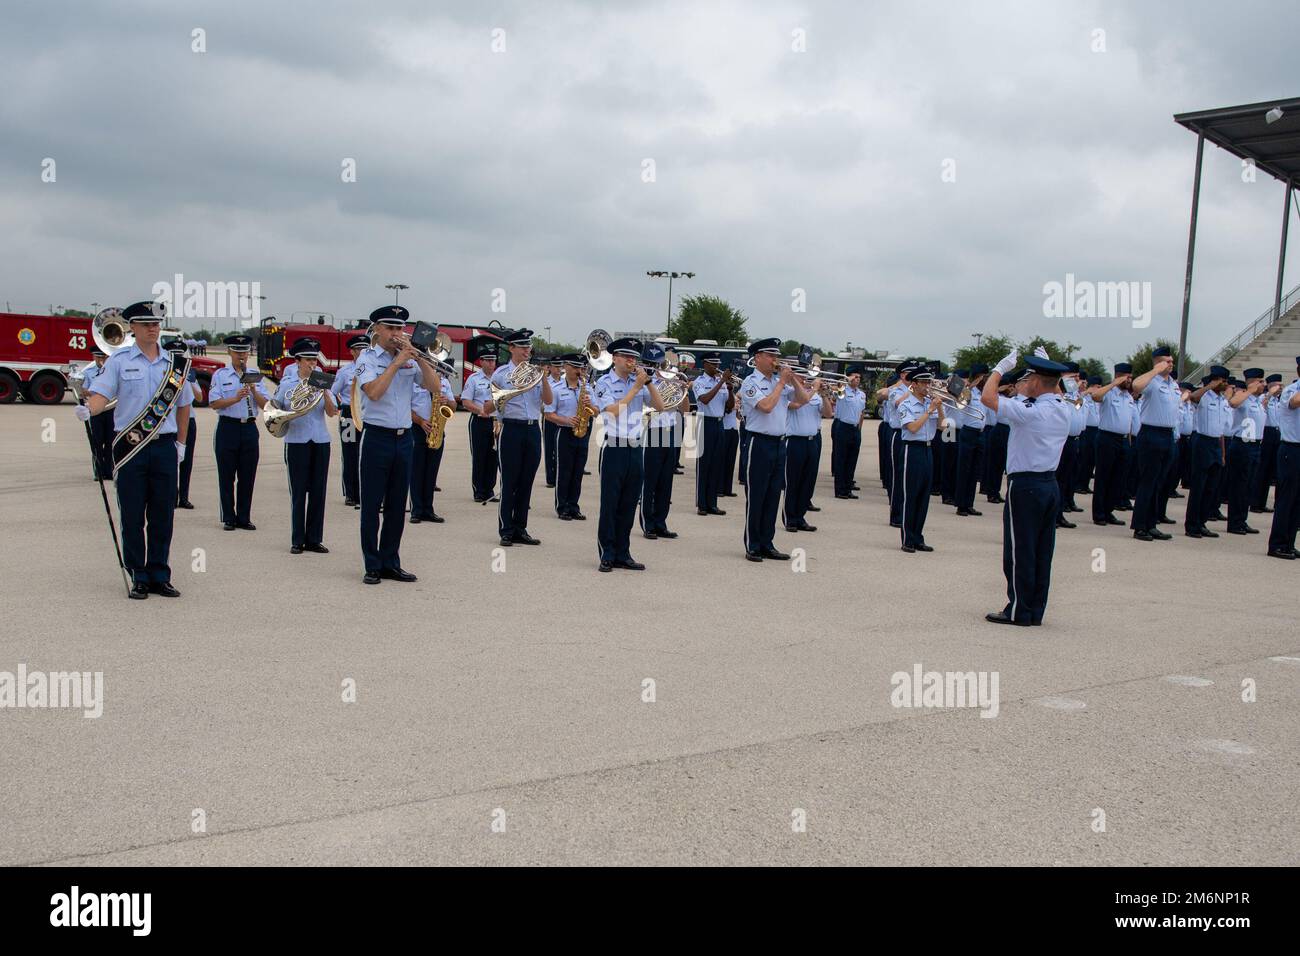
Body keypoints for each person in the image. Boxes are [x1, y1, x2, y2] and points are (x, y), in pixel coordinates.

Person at [78, 300, 193, 599]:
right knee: (131, 514)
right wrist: (88, 409)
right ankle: (138, 575)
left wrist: (181, 444)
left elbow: (184, 406)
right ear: (133, 328)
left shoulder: (174, 363)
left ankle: (159, 574)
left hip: (165, 447)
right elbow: (101, 395)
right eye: (146, 324)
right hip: (132, 448)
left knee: (162, 514)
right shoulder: (119, 361)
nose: (153, 329)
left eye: (156, 324)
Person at [980, 352, 1072, 626]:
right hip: (1050, 484)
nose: (1026, 381)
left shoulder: (1031, 412)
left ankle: (1019, 610)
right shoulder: (1061, 407)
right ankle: (1035, 610)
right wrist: (1048, 371)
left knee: (1020, 550)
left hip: (1026, 486)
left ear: (1036, 382)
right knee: (1042, 551)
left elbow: (988, 398)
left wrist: (999, 368)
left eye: (1030, 377)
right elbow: (1052, 386)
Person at [355, 305, 441, 584]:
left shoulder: (409, 359)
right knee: (371, 504)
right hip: (376, 436)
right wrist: (396, 362)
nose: (396, 334)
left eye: (399, 329)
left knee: (396, 505)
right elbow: (375, 393)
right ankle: (372, 564)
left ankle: (391, 561)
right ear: (377, 329)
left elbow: (434, 387)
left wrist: (420, 358)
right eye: (390, 328)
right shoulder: (367, 359)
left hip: (403, 439)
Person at [593, 338, 664, 571]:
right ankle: (607, 553)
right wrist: (635, 389)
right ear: (615, 358)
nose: (631, 360)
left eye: (634, 357)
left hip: (635, 448)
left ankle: (623, 552)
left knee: (629, 504)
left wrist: (649, 382)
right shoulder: (604, 382)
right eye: (626, 356)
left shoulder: (640, 382)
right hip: (613, 447)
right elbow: (612, 411)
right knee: (610, 504)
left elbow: (660, 406)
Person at [739, 340, 810, 561]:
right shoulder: (751, 382)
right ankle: (752, 544)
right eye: (770, 355)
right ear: (757, 357)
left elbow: (804, 399)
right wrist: (781, 384)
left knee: (772, 496)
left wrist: (794, 381)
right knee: (757, 495)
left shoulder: (778, 381)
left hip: (779, 443)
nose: (774, 360)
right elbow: (766, 407)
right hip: (759, 442)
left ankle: (767, 543)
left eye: (775, 356)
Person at [273, 338, 338, 553]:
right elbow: (276, 409)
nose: (313, 364)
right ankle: (297, 540)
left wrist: (326, 392)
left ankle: (314, 539)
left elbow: (331, 412)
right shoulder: (288, 384)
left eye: (314, 360)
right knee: (299, 492)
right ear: (298, 360)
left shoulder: (323, 380)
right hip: (297, 441)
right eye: (308, 360)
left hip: (320, 440)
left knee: (318, 492)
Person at [493, 328, 552, 546]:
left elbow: (548, 400)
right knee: (510, 481)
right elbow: (490, 405)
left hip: (532, 429)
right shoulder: (501, 374)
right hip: (511, 428)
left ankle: (520, 527)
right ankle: (506, 530)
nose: (527, 350)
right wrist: (509, 392)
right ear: (512, 348)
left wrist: (543, 379)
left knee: (527, 481)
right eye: (523, 346)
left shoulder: (535, 373)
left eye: (529, 347)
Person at [208, 334, 269, 531]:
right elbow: (214, 402)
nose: (241, 355)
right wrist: (235, 398)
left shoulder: (255, 375)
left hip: (249, 427)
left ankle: (244, 517)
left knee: (247, 475)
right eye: (237, 351)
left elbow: (266, 405)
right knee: (226, 475)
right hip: (228, 427)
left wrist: (254, 391)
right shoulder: (220, 375)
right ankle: (228, 517)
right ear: (229, 352)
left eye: (244, 351)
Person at [1127, 347, 1179, 541]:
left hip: (1168, 435)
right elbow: (1136, 386)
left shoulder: (1173, 384)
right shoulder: (1152, 381)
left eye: (1172, 361)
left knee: (1159, 482)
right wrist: (1156, 370)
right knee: (1148, 482)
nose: (1171, 364)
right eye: (1167, 361)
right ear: (1158, 362)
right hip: (1151, 434)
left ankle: (1152, 524)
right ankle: (1140, 526)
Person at [639, 346, 688, 538]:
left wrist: (683, 390)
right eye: (659, 364)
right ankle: (648, 523)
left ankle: (661, 522)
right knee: (650, 480)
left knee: (666, 481)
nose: (664, 367)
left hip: (672, 431)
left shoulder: (673, 383)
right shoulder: (647, 384)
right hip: (653, 431)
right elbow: (650, 408)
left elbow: (684, 410)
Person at [896, 369, 942, 552]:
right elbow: (913, 428)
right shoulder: (905, 404)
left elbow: (943, 426)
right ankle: (907, 539)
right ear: (913, 384)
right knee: (910, 495)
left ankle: (918, 537)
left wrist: (939, 407)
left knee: (924, 497)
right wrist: (929, 411)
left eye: (928, 383)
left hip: (928, 449)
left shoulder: (930, 403)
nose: (927, 386)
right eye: (923, 383)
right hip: (911, 449)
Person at [545, 353, 595, 522]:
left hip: (583, 432)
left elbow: (598, 411)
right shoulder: (556, 389)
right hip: (565, 432)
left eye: (580, 367)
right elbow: (548, 414)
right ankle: (562, 507)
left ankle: (574, 506)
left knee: (578, 471)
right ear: (566, 367)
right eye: (574, 367)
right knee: (564, 471)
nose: (578, 371)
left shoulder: (587, 388)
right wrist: (566, 420)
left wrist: (591, 406)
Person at [1184, 366, 1230, 539]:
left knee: (1211, 487)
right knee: (1199, 486)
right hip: (1201, 441)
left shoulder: (1222, 400)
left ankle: (1202, 522)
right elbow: (1192, 397)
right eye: (1222, 381)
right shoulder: (1204, 396)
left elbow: (1221, 431)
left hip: (1216, 444)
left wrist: (1223, 454)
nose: (1225, 384)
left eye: (1226, 381)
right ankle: (1192, 525)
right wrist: (1210, 386)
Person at [1088, 364, 1134, 528]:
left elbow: (1128, 421)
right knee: (1103, 477)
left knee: (1118, 478)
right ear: (1119, 376)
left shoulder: (1128, 396)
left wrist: (1128, 442)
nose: (1129, 380)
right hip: (1107, 438)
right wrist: (1114, 383)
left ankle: (1109, 511)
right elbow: (1095, 396)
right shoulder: (1109, 392)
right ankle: (1099, 513)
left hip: (1123, 440)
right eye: (1126, 377)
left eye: (1130, 377)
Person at [409, 368, 455, 525]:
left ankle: (428, 509)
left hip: (437, 428)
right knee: (416, 472)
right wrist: (421, 421)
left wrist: (446, 402)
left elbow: (453, 406)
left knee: (431, 473)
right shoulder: (414, 381)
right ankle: (416, 510)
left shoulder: (444, 382)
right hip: (417, 429)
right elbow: (405, 407)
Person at [330, 333, 369, 508]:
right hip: (348, 413)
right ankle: (351, 493)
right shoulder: (344, 371)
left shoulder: (372, 367)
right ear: (351, 352)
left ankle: (365, 491)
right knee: (350, 453)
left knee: (367, 454)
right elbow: (333, 391)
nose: (361, 352)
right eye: (358, 349)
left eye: (364, 348)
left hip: (367, 412)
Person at [1266, 356, 1300, 559]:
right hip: (1291, 449)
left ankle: (1289, 542)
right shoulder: (1291, 390)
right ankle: (1277, 544)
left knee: (1298, 501)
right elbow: (1294, 403)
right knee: (1286, 498)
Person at [461, 337, 500, 504]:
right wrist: (480, 410)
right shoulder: (474, 379)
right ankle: (479, 490)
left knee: (493, 457)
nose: (491, 364)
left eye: (493, 360)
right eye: (488, 360)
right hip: (479, 421)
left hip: (496, 422)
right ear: (481, 361)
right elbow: (465, 401)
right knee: (479, 456)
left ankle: (489, 489)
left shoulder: (500, 378)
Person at [164, 339, 203, 509]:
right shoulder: (163, 372)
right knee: (169, 462)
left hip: (189, 421)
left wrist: (188, 381)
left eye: (180, 355)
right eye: (174, 355)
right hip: (168, 421)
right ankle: (171, 495)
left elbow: (200, 398)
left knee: (186, 460)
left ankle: (184, 497)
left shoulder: (189, 372)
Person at [692, 353, 730, 516]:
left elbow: (729, 406)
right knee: (704, 464)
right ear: (705, 364)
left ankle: (712, 503)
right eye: (713, 363)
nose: (716, 367)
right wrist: (721, 381)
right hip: (705, 422)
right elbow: (705, 399)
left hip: (719, 423)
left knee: (716, 464)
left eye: (718, 363)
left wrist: (730, 389)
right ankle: (702, 504)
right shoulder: (700, 382)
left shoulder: (720, 382)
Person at [951, 365, 988, 517]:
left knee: (974, 471)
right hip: (968, 433)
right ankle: (961, 505)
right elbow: (953, 388)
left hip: (980, 434)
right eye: (984, 377)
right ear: (978, 377)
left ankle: (969, 504)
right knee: (964, 469)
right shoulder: (968, 391)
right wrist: (969, 385)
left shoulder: (982, 394)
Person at [1054, 363, 1086, 528]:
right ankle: (1053, 515)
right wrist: (1064, 381)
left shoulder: (1075, 394)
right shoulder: (1058, 391)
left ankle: (1059, 514)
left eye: (1078, 377)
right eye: (1074, 377)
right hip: (1061, 440)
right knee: (1057, 479)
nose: (1078, 380)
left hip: (1074, 440)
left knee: (1065, 480)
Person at [79, 344, 115, 481]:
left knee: (110, 441)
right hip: (95, 410)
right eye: (98, 357)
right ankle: (98, 471)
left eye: (104, 357)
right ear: (93, 357)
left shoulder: (112, 371)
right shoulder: (88, 372)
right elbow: (84, 391)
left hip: (111, 409)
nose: (101, 360)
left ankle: (109, 470)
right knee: (97, 442)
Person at [831, 366, 866, 499]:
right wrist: (845, 381)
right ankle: (840, 490)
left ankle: (848, 488)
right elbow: (839, 391)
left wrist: (859, 430)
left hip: (855, 428)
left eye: (858, 377)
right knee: (841, 459)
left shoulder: (862, 394)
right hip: (843, 426)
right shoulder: (843, 391)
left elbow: (861, 412)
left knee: (852, 459)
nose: (857, 379)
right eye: (854, 377)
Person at [1253, 374, 1285, 513]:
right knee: (1262, 470)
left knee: (1272, 471)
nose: (1280, 388)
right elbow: (1262, 404)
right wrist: (1270, 394)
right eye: (1277, 385)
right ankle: (1255, 503)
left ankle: (1262, 502)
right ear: (1270, 386)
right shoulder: (1263, 397)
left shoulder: (1280, 401)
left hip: (1278, 434)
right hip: (1266, 433)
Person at [1075, 376, 1101, 494]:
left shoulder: (1098, 398)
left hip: (1097, 430)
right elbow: (1075, 405)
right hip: (1087, 431)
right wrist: (1085, 393)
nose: (1099, 389)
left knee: (1091, 459)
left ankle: (1085, 484)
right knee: (1084, 458)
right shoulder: (1083, 397)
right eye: (1097, 387)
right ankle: (1079, 484)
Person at [542, 357, 563, 489]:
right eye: (555, 367)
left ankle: (559, 476)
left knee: (560, 448)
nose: (558, 369)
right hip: (549, 418)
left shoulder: (565, 382)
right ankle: (550, 478)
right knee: (549, 448)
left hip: (561, 418)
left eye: (560, 367)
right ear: (550, 368)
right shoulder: (546, 381)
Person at [721, 367, 741, 497]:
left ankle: (727, 488)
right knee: (722, 461)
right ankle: (719, 488)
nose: (732, 382)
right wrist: (734, 406)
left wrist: (738, 408)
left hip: (733, 428)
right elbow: (726, 409)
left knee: (730, 461)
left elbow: (738, 416)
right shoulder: (722, 391)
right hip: (725, 428)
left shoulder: (732, 393)